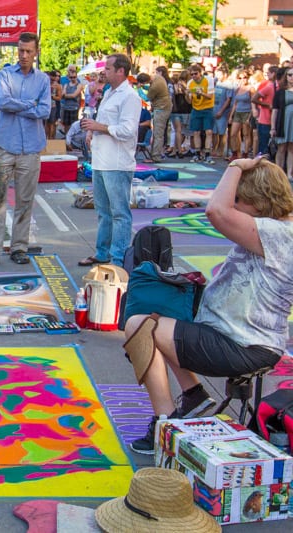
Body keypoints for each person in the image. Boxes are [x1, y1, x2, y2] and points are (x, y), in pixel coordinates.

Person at [125, 157, 292, 454]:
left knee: (141, 326)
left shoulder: (279, 233)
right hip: (235, 333)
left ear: (260, 200)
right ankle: (191, 398)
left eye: (240, 199)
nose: (235, 205)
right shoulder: (275, 227)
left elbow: (216, 211)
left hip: (243, 345)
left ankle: (166, 425)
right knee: (148, 301)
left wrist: (235, 167)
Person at [0, 32, 50, 268]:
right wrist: (30, 105)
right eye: (21, 50)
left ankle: (19, 247)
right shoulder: (5, 74)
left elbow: (45, 110)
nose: (23, 55)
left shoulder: (43, 80)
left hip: (31, 147)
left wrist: (20, 106)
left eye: (28, 51)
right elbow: (3, 103)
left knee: (25, 201)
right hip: (6, 145)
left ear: (36, 53)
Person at [77, 54, 141, 268]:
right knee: (103, 212)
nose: (104, 72)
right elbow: (104, 122)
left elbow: (128, 130)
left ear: (121, 71)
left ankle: (118, 258)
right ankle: (102, 252)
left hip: (117, 163)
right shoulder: (109, 92)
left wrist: (99, 127)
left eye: (109, 68)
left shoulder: (129, 97)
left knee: (119, 213)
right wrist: (92, 132)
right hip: (101, 161)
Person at [146, 66, 172, 162]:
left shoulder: (155, 86)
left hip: (161, 108)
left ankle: (155, 156)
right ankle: (155, 154)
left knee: (158, 133)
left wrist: (140, 89)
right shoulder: (159, 78)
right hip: (164, 107)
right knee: (159, 133)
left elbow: (147, 97)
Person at [271, 68, 293, 179]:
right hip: (283, 122)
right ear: (286, 76)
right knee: (281, 148)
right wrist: (273, 127)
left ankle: (289, 173)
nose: (292, 77)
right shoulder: (280, 92)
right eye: (289, 75)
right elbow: (274, 110)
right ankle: (279, 173)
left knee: (291, 148)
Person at [228, 69, 254, 160]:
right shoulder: (238, 89)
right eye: (241, 78)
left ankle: (245, 153)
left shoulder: (250, 89)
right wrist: (231, 116)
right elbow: (235, 103)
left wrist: (250, 116)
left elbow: (253, 103)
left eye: (245, 77)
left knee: (246, 134)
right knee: (233, 134)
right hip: (238, 112)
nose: (243, 79)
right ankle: (235, 153)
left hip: (247, 112)